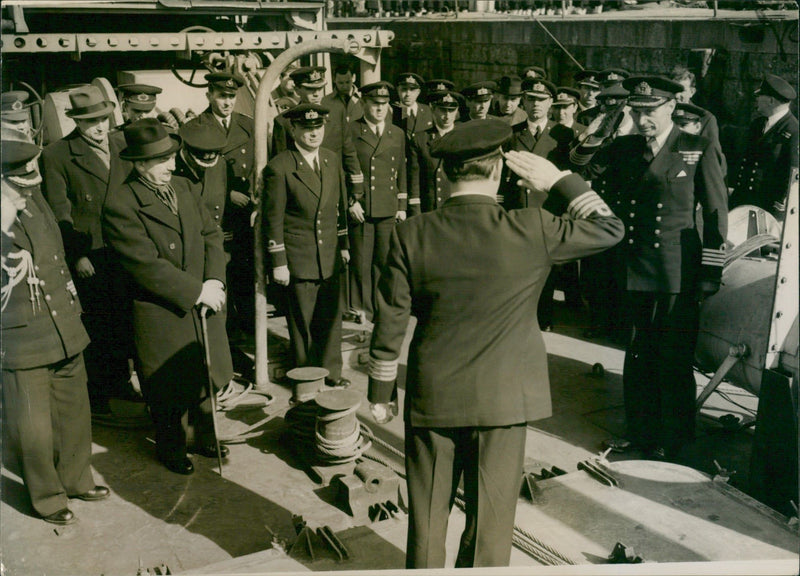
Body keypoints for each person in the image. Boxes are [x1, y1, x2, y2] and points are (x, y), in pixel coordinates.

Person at [367, 119, 624, 568]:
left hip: (434, 395)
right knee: (490, 524)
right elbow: (610, 228)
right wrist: (560, 180)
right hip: (504, 401)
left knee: (426, 520)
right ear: (500, 172)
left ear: (444, 175)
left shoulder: (412, 233)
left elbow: (389, 319)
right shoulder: (533, 227)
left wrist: (380, 394)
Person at [572, 76, 728, 460]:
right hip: (634, 267)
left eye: (650, 112)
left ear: (671, 107)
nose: (643, 120)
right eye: (636, 111)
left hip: (677, 271)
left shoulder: (696, 147)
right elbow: (580, 165)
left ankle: (673, 439)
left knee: (672, 357)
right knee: (638, 354)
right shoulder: (625, 148)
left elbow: (715, 212)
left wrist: (711, 272)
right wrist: (607, 123)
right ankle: (640, 432)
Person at [102, 118, 230, 475]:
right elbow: (145, 265)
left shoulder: (185, 187)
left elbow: (211, 235)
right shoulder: (121, 205)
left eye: (172, 157)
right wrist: (195, 291)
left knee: (206, 374)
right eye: (161, 161)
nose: (171, 166)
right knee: (168, 385)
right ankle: (171, 447)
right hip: (162, 309)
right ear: (140, 164)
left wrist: (216, 279)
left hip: (204, 297)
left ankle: (205, 436)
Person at [2, 127, 110, 526]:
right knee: (32, 427)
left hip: (63, 327)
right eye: (18, 182)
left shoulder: (34, 201)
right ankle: (47, 497)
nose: (28, 189)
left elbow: (55, 254)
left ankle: (77, 479)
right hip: (20, 337)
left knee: (74, 412)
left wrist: (71, 316)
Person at [40, 84, 135, 417]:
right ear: (76, 122)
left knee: (125, 320)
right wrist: (77, 254)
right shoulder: (57, 155)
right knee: (98, 324)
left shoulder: (122, 144)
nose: (99, 127)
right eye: (91, 121)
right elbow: (59, 211)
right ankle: (97, 395)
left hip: (127, 249)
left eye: (104, 119)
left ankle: (122, 382)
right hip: (93, 254)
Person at [262, 104, 351, 389]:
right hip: (299, 258)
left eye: (318, 128)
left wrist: (345, 245)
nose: (314, 134)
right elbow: (273, 219)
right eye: (307, 129)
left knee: (331, 319)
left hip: (330, 255)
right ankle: (306, 379)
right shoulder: (280, 167)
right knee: (302, 325)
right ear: (294, 129)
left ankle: (332, 374)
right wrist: (279, 262)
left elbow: (340, 207)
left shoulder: (331, 159)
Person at [185, 71, 256, 337]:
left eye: (231, 96)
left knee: (246, 274)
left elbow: (259, 165)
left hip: (245, 216)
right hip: (215, 216)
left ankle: (250, 330)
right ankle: (226, 334)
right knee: (219, 273)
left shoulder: (247, 125)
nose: (227, 102)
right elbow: (196, 177)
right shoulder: (197, 126)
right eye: (222, 96)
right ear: (209, 95)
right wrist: (228, 196)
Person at [346, 81, 408, 319]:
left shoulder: (397, 133)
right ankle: (361, 310)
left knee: (384, 261)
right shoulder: (352, 131)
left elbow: (402, 169)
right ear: (363, 104)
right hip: (362, 207)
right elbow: (345, 169)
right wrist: (352, 201)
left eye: (384, 104)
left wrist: (401, 205)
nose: (380, 108)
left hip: (387, 207)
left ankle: (381, 309)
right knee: (361, 263)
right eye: (374, 103)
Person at [729, 73, 798, 221]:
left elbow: (792, 177)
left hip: (767, 209)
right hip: (743, 202)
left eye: (760, 96)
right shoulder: (758, 124)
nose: (756, 99)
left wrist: (777, 213)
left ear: (771, 101)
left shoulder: (794, 131)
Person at [408, 88, 463, 215]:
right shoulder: (420, 139)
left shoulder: (463, 138)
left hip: (456, 207)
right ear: (433, 109)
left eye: (451, 110)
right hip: (430, 207)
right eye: (443, 110)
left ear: (457, 111)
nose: (447, 115)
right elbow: (414, 179)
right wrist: (416, 210)